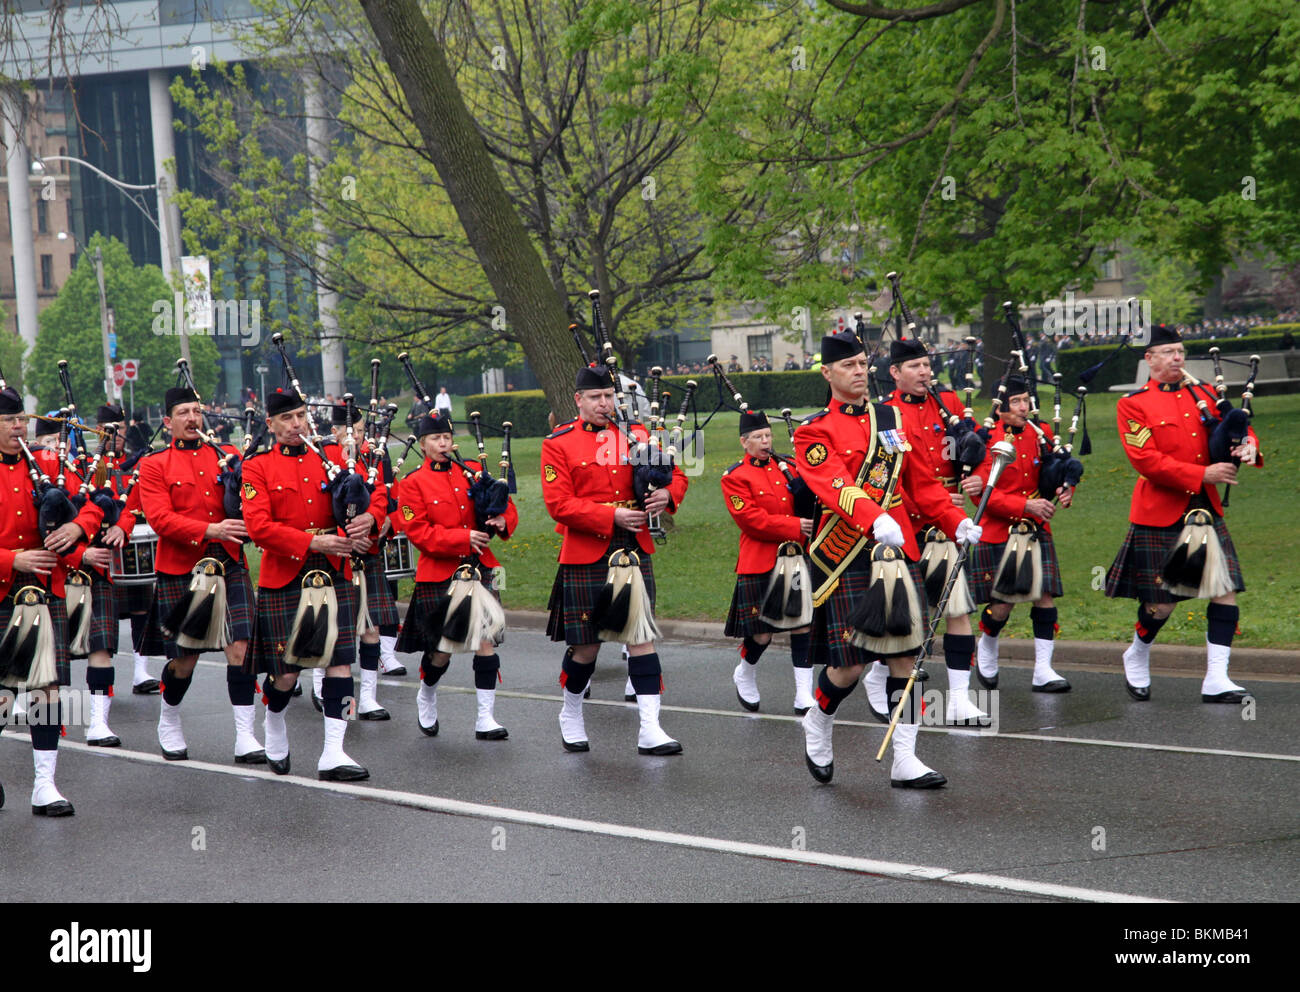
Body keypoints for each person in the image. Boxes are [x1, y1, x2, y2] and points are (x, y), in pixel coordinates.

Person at [793, 330, 981, 789]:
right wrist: (875, 518)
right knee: (850, 664)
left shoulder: (889, 417)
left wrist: (955, 520)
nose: (859, 372)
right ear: (827, 373)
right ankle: (819, 717)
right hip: (849, 553)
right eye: (848, 366)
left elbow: (921, 483)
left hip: (897, 554)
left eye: (862, 363)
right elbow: (834, 484)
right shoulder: (812, 431)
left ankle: (905, 757)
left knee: (907, 658)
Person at [1104, 325, 1261, 703]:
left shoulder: (1207, 393)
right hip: (1160, 511)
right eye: (1168, 351)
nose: (1177, 357)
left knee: (1224, 589)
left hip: (1205, 508)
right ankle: (1138, 652)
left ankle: (1216, 678)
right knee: (1163, 602)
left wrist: (1249, 448)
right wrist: (1201, 474)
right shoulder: (1133, 404)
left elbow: (1240, 429)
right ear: (1150, 359)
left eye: (1180, 351)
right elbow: (1145, 460)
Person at [542, 363, 689, 755]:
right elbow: (559, 505)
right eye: (595, 397)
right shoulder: (558, 443)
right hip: (587, 552)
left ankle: (650, 728)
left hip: (633, 546)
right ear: (578, 400)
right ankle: (571, 712)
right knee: (586, 647)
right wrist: (611, 515)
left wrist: (667, 496)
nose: (604, 403)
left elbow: (676, 474)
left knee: (641, 636)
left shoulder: (636, 434)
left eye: (609, 396)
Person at [241, 388, 386, 779]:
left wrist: (369, 519)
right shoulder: (257, 468)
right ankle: (273, 719)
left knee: (339, 663)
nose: (296, 424)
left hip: (334, 570)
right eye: (287, 418)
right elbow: (258, 527)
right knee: (287, 672)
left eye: (301, 416)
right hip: (286, 574)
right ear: (270, 424)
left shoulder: (335, 458)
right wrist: (312, 541)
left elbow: (379, 492)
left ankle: (334, 753)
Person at [135, 387, 263, 764]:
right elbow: (159, 519)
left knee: (241, 649)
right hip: (183, 567)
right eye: (183, 412)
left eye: (196, 411)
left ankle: (245, 735)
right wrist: (211, 530)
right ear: (168, 421)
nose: (192, 418)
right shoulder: (154, 465)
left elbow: (250, 503)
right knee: (184, 660)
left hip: (229, 561)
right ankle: (170, 717)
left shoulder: (228, 456)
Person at [0, 387, 104, 815]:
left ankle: (45, 785)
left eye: (21, 419)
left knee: (48, 688)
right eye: (9, 421)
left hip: (46, 590)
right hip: (4, 588)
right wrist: (12, 558)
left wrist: (79, 529)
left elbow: (93, 504)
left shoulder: (45, 464)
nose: (18, 427)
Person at [875, 337, 987, 723]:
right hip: (905, 526)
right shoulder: (885, 415)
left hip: (947, 525)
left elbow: (976, 451)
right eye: (915, 366)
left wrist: (974, 480)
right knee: (901, 617)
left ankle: (958, 698)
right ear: (895, 372)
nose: (924, 372)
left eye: (927, 365)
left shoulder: (951, 404)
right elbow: (890, 480)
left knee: (956, 609)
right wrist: (933, 505)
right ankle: (879, 677)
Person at [393, 412, 517, 739]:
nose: (443, 443)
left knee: (486, 641)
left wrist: (503, 521)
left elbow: (503, 503)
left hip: (479, 568)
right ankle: (427, 693)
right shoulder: (411, 484)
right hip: (439, 573)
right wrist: (462, 539)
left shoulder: (473, 473)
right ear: (423, 444)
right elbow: (419, 532)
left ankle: (485, 718)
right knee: (442, 650)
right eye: (436, 438)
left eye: (447, 437)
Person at [968, 377, 1074, 692]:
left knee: (1044, 598)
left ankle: (1043, 670)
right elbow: (982, 496)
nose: (1024, 407)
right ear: (1000, 408)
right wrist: (1026, 506)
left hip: (1035, 531)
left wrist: (1065, 489)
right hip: (1000, 531)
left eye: (1027, 400)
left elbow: (1051, 474)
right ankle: (987, 642)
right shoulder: (986, 438)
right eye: (1017, 402)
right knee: (1002, 604)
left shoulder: (1039, 434)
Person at [306, 404, 398, 720]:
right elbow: (323, 506)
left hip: (366, 555)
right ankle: (319, 685)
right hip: (335, 557)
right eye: (350, 431)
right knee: (328, 628)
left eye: (360, 432)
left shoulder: (368, 462)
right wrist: (348, 534)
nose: (356, 437)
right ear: (335, 432)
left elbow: (382, 497)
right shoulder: (323, 460)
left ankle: (369, 697)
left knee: (370, 628)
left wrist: (376, 520)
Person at [720, 409, 815, 713]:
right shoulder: (735, 477)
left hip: (797, 559)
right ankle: (745, 672)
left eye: (768, 435)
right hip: (761, 560)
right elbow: (750, 520)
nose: (765, 441)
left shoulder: (789, 465)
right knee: (762, 632)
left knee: (802, 624)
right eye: (758, 437)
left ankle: (803, 695)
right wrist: (794, 526)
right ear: (744, 442)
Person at [69, 404, 138, 747]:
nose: (113, 435)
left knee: (102, 646)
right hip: (57, 574)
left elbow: (128, 507)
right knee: (44, 651)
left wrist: (122, 528)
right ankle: (24, 701)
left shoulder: (121, 472)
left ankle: (98, 722)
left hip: (99, 572)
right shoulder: (72, 470)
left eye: (119, 428)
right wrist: (80, 552)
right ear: (95, 431)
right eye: (107, 429)